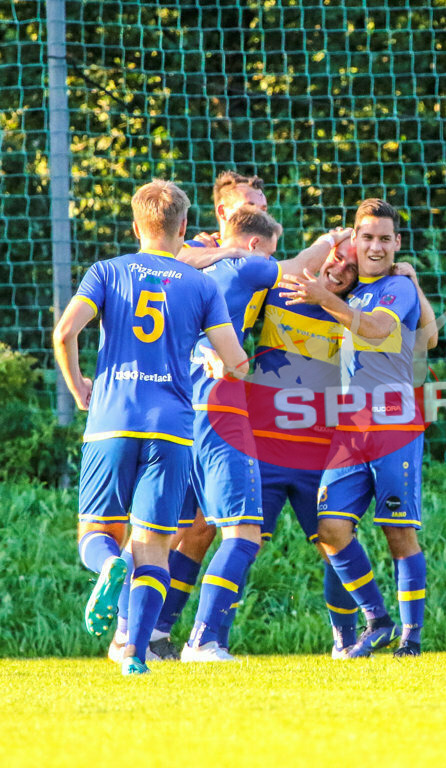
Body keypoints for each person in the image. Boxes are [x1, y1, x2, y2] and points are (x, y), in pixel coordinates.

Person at [53, 179, 248, 675]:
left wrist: (80, 389)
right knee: (155, 543)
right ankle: (136, 656)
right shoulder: (202, 284)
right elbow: (236, 362)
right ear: (184, 228)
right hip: (173, 427)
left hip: (111, 421)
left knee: (95, 533)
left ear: (137, 226)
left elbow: (64, 332)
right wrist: (225, 365)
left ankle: (106, 567)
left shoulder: (106, 271)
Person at [178, 205, 351, 661]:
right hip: (222, 406)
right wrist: (330, 239)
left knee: (174, 529)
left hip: (180, 409)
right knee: (241, 532)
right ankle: (203, 639)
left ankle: (143, 636)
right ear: (256, 246)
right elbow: (295, 268)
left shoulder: (191, 266)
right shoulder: (247, 265)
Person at [251, 247, 439, 657]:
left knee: (398, 532)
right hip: (343, 430)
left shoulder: (389, 290)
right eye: (346, 253)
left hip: (392, 425)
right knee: (332, 529)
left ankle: (410, 640)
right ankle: (376, 623)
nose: (344, 267)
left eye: (351, 266)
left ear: (394, 242)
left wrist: (414, 283)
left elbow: (418, 336)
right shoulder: (325, 291)